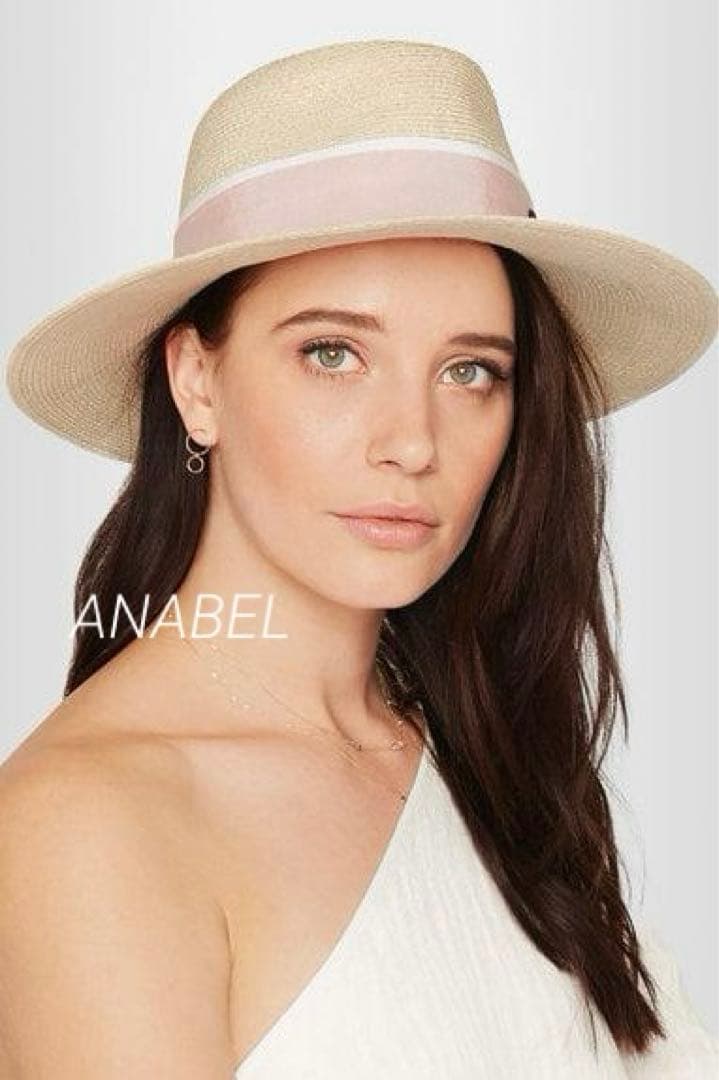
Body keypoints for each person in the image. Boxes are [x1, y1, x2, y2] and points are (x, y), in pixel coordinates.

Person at [1, 37, 717, 1079]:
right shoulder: (92, 827)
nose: (412, 442)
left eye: (469, 371)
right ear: (196, 381)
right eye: (331, 353)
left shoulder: (490, 751)